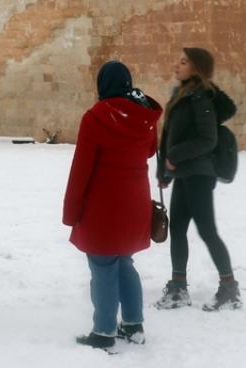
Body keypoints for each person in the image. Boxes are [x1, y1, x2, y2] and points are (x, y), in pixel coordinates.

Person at [63, 61, 164, 351]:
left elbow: (82, 168)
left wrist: (71, 211)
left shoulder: (96, 117)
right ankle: (133, 324)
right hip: (134, 202)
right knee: (123, 261)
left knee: (103, 264)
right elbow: (149, 150)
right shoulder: (145, 116)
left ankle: (104, 331)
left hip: (102, 205)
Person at [155, 47, 241, 312]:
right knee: (178, 230)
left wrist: (174, 157)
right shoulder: (182, 94)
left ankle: (229, 289)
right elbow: (170, 135)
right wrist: (164, 170)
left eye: (183, 62)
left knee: (207, 231)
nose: (177, 65)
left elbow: (207, 140)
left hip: (199, 175)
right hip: (184, 173)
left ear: (196, 68)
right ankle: (178, 288)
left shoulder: (201, 97)